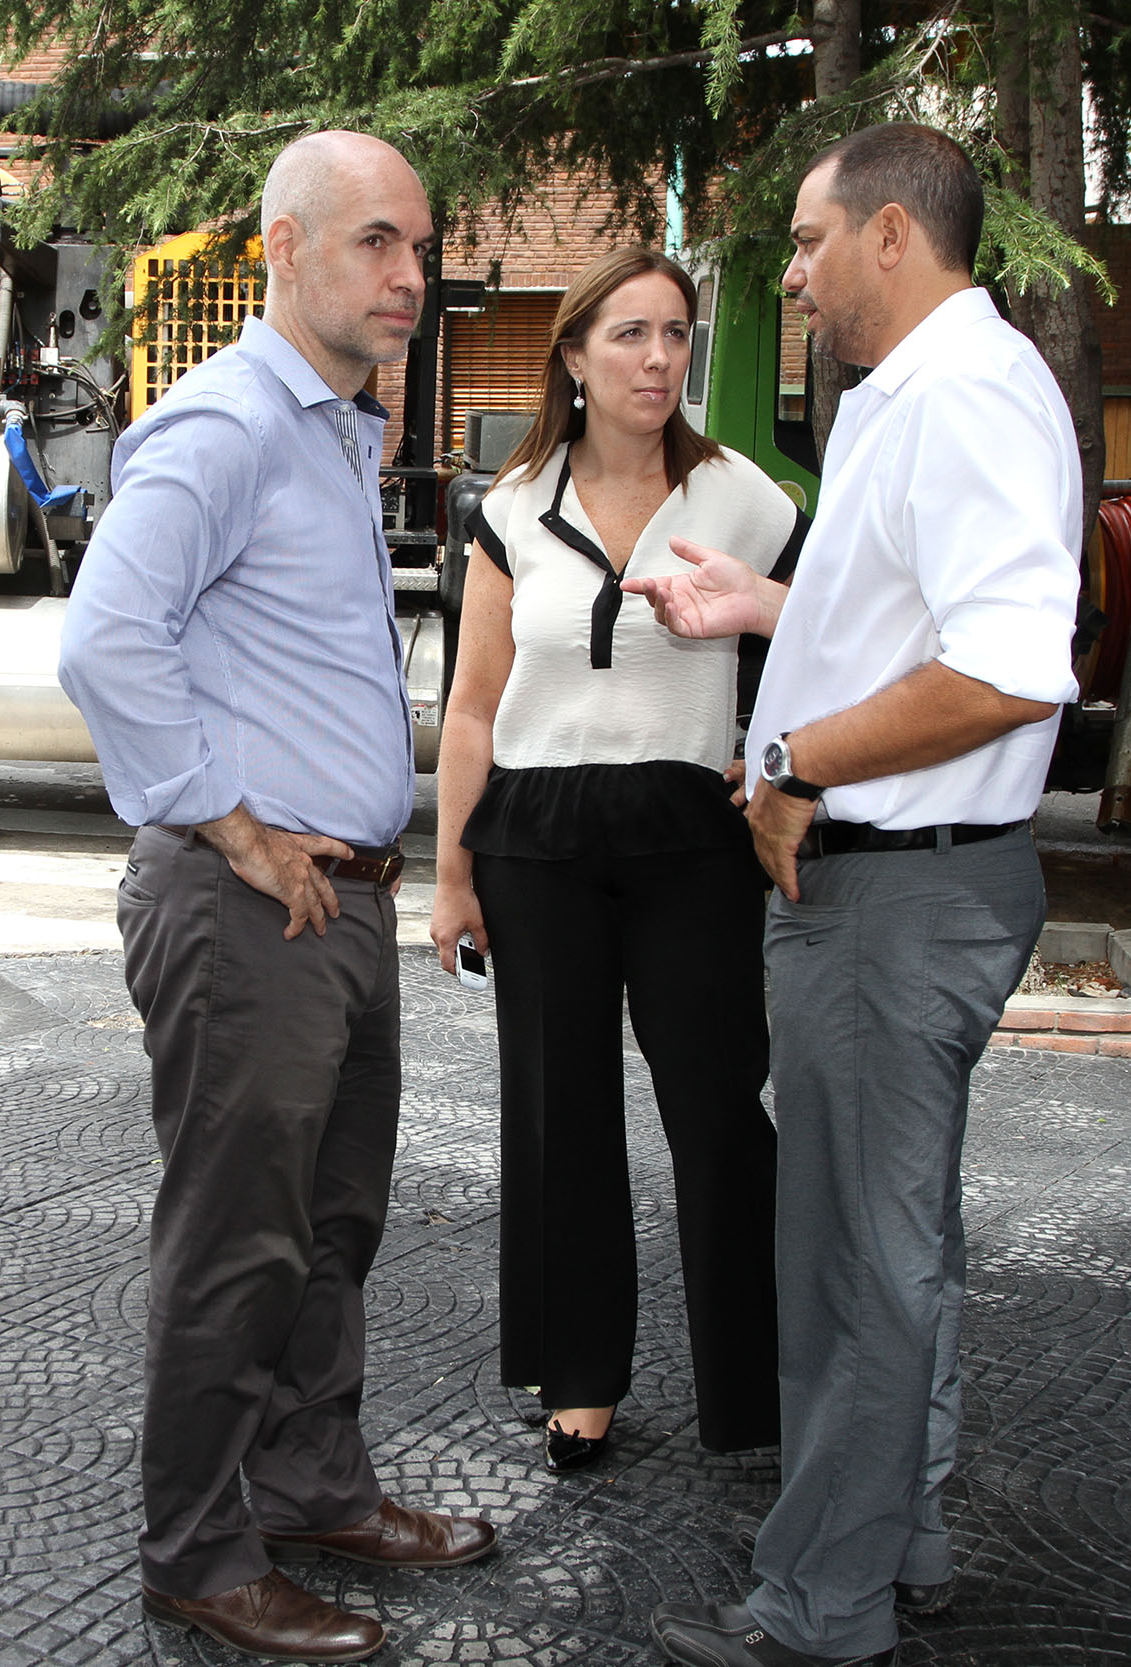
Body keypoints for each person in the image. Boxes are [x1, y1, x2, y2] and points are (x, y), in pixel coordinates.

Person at [625, 123, 1081, 1667]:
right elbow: (912, 612)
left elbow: (1011, 669)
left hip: (890, 898)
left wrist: (800, 758)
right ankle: (905, 1539)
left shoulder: (960, 397)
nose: (797, 277)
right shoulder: (930, 396)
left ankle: (823, 1605)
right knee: (894, 1250)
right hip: (891, 890)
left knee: (850, 1267)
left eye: (813, 245)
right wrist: (762, 606)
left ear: (895, 236)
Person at [56, 130, 495, 1666]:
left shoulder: (337, 428)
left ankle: (310, 1487)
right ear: (284, 252)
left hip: (340, 900)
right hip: (256, 904)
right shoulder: (229, 421)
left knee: (333, 1223)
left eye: (422, 249)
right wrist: (235, 825)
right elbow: (108, 640)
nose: (411, 278)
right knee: (239, 1239)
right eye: (377, 243)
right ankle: (197, 1548)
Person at [428, 247, 792, 1476]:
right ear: (573, 354)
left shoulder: (745, 496)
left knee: (718, 1115)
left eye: (675, 333)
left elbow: (825, 637)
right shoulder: (513, 504)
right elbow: (473, 704)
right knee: (558, 1116)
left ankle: (753, 1384)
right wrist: (450, 873)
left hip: (691, 841)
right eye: (629, 333)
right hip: (533, 842)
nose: (656, 357)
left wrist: (787, 757)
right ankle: (579, 1375)